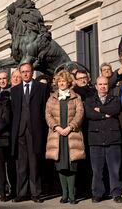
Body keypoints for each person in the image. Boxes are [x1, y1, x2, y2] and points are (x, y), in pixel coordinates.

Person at [45, 70, 85, 204]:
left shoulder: (76, 97)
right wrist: (56, 127)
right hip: (57, 135)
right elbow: (48, 115)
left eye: (64, 81)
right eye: (59, 81)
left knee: (71, 165)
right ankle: (64, 194)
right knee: (61, 166)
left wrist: (70, 127)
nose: (62, 83)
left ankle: (72, 195)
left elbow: (80, 114)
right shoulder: (52, 98)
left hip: (71, 135)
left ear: (69, 82)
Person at [10, 63, 48, 203]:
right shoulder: (15, 90)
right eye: (23, 72)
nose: (25, 74)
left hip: (35, 131)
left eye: (28, 71)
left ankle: (36, 193)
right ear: (20, 73)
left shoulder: (42, 88)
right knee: (21, 165)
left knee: (34, 164)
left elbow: (45, 110)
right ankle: (21, 193)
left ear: (32, 72)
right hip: (20, 131)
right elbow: (14, 112)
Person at [85, 76, 122, 203]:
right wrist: (105, 115)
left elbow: (115, 110)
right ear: (96, 86)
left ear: (108, 86)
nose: (103, 86)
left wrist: (100, 109)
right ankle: (97, 193)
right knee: (97, 170)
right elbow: (89, 114)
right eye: (100, 84)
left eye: (105, 84)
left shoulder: (115, 99)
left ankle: (116, 193)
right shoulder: (90, 100)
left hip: (113, 138)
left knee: (114, 169)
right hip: (95, 138)